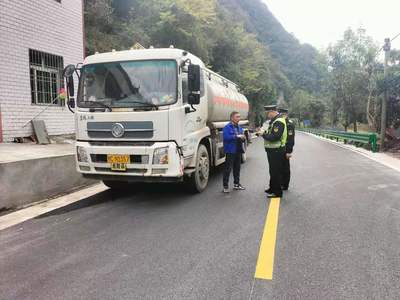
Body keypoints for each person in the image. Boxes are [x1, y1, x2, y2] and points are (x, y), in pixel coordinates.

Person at [262, 105, 287, 198]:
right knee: (272, 171)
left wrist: (263, 134)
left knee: (275, 171)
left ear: (272, 112)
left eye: (268, 113)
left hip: (277, 150)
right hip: (272, 150)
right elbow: (268, 131)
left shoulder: (278, 122)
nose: (267, 115)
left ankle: (277, 192)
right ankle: (272, 188)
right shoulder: (273, 121)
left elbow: (275, 137)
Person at [222, 111, 246, 193]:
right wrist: (236, 136)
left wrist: (243, 138)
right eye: (237, 117)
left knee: (237, 168)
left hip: (238, 150)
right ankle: (225, 186)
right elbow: (226, 138)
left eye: (239, 117)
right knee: (228, 169)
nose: (239, 118)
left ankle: (237, 184)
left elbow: (243, 137)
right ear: (232, 118)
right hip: (230, 151)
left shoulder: (239, 127)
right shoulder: (227, 127)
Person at [278, 108, 295, 190]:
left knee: (285, 168)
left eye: (283, 114)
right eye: (281, 114)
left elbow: (291, 139)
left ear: (286, 114)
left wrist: (289, 151)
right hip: (279, 148)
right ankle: (280, 183)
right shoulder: (280, 122)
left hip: (285, 149)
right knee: (279, 167)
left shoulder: (289, 124)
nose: (282, 116)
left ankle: (285, 185)